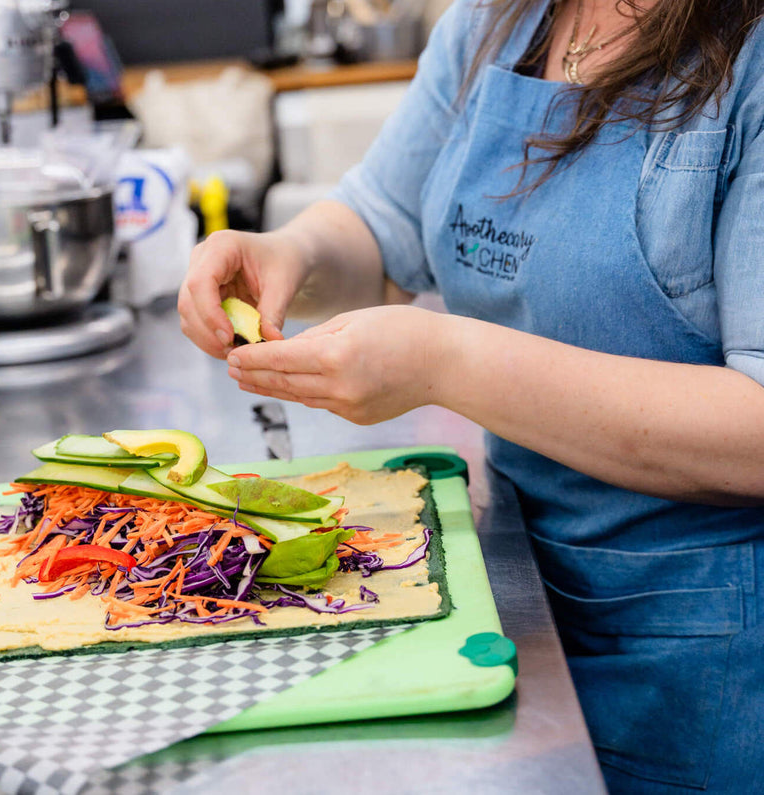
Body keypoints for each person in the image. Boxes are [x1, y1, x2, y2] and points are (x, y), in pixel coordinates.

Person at [177, 0, 764, 791]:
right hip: (512, 601)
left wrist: (446, 361)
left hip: (704, 656)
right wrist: (289, 252)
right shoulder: (500, 19)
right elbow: (381, 226)